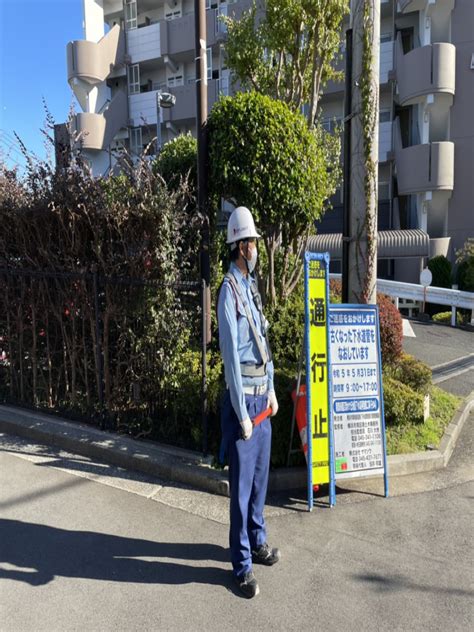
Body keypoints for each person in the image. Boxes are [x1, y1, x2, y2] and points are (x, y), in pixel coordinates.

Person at [217, 206, 281, 599]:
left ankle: (257, 542)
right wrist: (242, 412)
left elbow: (263, 343)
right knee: (240, 491)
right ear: (240, 246)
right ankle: (240, 565)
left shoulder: (251, 286)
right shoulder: (228, 290)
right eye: (253, 242)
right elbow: (230, 357)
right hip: (245, 404)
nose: (257, 247)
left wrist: (272, 387)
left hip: (263, 399)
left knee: (259, 482)